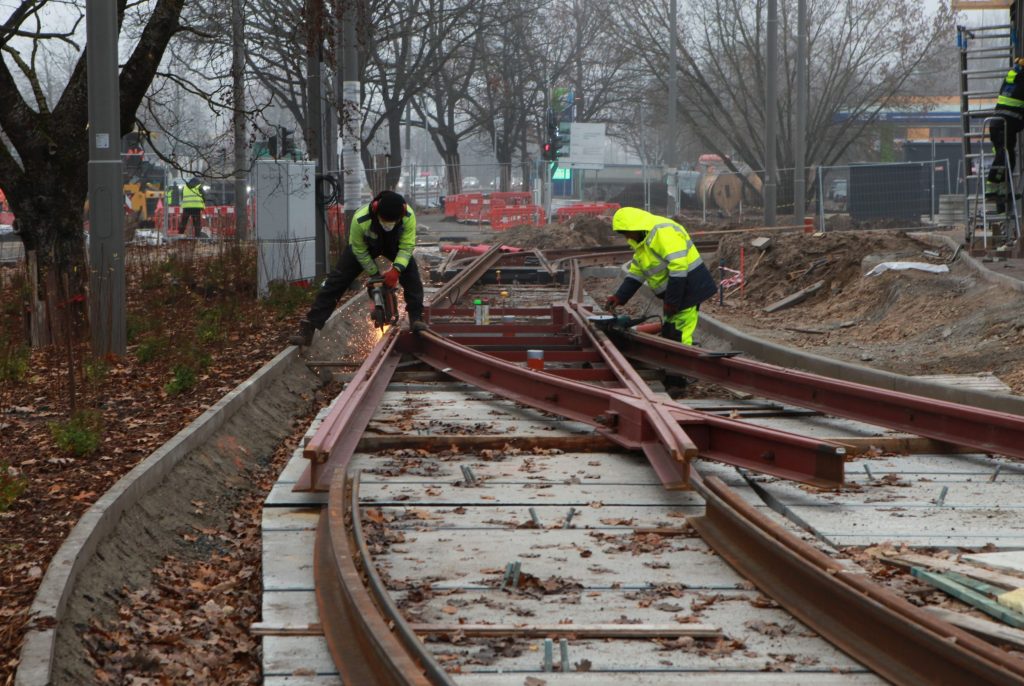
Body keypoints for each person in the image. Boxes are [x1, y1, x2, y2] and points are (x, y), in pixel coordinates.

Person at [289, 190, 426, 346]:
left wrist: (396, 271)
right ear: (375, 209)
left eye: (393, 221)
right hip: (366, 246)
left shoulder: (408, 216)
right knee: (336, 280)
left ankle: (416, 318)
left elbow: (407, 247)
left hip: (395, 245)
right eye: (385, 220)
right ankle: (309, 327)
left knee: (412, 276)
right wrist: (374, 274)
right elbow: (359, 250)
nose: (388, 225)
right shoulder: (360, 219)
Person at [604, 207, 717, 394]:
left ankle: (678, 381)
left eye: (626, 233)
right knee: (671, 330)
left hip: (689, 288)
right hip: (676, 292)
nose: (627, 238)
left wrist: (672, 301)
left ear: (636, 227)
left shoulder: (662, 232)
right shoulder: (641, 241)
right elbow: (638, 271)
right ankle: (674, 374)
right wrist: (620, 296)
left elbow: (679, 267)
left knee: (680, 335)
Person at [987, 58, 1024, 208]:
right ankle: (992, 189)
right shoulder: (1021, 81)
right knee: (1004, 156)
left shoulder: (1011, 78)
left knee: (1009, 157)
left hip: (1001, 124)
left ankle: (1004, 192)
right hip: (1005, 125)